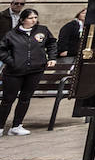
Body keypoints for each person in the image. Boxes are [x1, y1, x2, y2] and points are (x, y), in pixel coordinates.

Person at [0, 8, 57, 136]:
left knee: (25, 98)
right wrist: (12, 62)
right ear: (22, 20)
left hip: (35, 70)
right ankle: (0, 126)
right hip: (14, 72)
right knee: (8, 100)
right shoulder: (11, 34)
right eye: (30, 18)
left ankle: (16, 126)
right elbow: (1, 50)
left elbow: (52, 44)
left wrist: (52, 58)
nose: (34, 20)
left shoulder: (42, 30)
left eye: (35, 17)